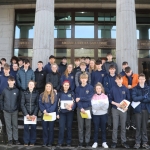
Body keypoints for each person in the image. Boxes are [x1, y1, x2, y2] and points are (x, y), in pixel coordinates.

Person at [109, 74, 130, 149]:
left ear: (122, 80)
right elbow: (110, 99)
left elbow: (128, 99)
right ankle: (114, 142)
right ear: (115, 80)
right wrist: (116, 104)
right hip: (115, 109)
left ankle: (123, 141)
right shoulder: (112, 89)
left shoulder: (125, 89)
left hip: (123, 110)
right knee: (115, 126)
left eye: (120, 79)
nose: (119, 81)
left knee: (123, 127)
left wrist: (126, 107)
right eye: (117, 79)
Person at [132, 73, 150, 149]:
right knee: (138, 127)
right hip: (138, 110)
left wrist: (141, 99)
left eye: (143, 79)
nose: (142, 80)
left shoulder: (148, 88)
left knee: (144, 127)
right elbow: (134, 98)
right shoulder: (135, 88)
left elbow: (149, 99)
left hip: (145, 110)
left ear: (145, 80)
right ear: (138, 80)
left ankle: (145, 142)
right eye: (140, 79)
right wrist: (143, 97)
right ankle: (137, 142)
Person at [0, 76, 20, 146]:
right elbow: (1, 99)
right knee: (8, 126)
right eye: (10, 81)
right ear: (8, 82)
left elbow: (18, 100)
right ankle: (10, 140)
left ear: (14, 82)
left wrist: (17, 108)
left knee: (15, 125)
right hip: (6, 111)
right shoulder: (4, 90)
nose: (11, 82)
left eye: (12, 81)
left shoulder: (17, 90)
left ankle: (16, 139)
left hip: (14, 111)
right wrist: (2, 108)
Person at [75, 73, 94, 148]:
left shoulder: (90, 87)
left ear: (87, 79)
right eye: (82, 78)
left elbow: (89, 98)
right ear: (80, 79)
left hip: (88, 108)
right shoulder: (77, 88)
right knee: (80, 126)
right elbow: (77, 99)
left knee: (88, 125)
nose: (83, 80)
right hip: (80, 109)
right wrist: (81, 107)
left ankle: (87, 141)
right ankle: (81, 141)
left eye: (85, 78)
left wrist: (81, 98)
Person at [57, 80, 76, 147]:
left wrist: (72, 108)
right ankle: (60, 142)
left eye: (67, 85)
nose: (66, 86)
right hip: (62, 113)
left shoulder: (72, 93)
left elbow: (74, 103)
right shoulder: (60, 93)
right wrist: (57, 113)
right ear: (63, 85)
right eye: (65, 85)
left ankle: (68, 142)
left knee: (69, 127)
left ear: (69, 86)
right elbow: (57, 104)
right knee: (61, 127)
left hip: (69, 113)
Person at [39, 82, 58, 147]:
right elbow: (40, 104)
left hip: (51, 114)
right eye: (47, 86)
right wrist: (44, 110)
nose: (48, 88)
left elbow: (55, 105)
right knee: (45, 129)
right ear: (45, 87)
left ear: (51, 87)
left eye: (49, 86)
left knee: (51, 129)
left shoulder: (54, 95)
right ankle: (45, 142)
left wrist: (48, 111)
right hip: (44, 114)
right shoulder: (42, 95)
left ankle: (50, 142)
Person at [21, 80, 39, 146]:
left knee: (33, 128)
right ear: (28, 85)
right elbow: (22, 104)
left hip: (34, 114)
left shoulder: (36, 93)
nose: (31, 85)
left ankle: (32, 142)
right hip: (27, 114)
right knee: (26, 128)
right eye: (30, 84)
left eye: (32, 84)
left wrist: (34, 114)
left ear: (34, 86)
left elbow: (37, 104)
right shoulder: (24, 93)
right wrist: (26, 114)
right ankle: (26, 141)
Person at [91, 83, 109, 149]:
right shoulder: (93, 96)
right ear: (95, 89)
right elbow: (93, 106)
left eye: (99, 88)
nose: (98, 89)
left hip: (103, 114)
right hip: (96, 115)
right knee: (96, 128)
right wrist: (101, 104)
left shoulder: (105, 96)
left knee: (103, 129)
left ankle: (104, 142)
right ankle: (95, 142)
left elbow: (106, 106)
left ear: (101, 89)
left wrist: (98, 105)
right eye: (97, 88)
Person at [103, 65, 117, 129]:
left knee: (115, 111)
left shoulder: (117, 77)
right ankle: (109, 124)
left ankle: (115, 124)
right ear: (109, 70)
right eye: (111, 69)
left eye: (113, 69)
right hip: (108, 96)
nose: (112, 70)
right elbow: (104, 87)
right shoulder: (106, 77)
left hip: (116, 97)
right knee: (108, 111)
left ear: (115, 70)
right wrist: (110, 92)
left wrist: (114, 92)